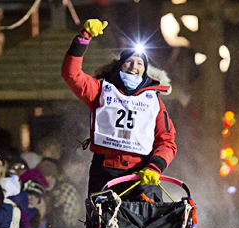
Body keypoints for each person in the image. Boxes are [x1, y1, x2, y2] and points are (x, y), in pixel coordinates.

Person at [61, 19, 178, 200]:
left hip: (140, 173)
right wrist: (84, 37)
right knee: (102, 223)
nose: (134, 67)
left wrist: (155, 166)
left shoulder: (154, 101)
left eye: (140, 63)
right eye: (129, 62)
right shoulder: (101, 90)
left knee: (145, 221)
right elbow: (71, 74)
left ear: (145, 70)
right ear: (120, 65)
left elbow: (167, 141)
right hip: (105, 170)